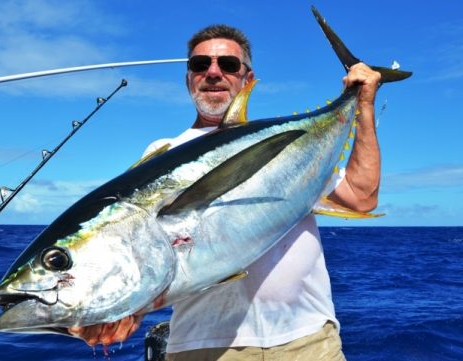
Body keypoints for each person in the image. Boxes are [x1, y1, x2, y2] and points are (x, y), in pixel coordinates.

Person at [69, 24, 381, 360]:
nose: (213, 72)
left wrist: (362, 103)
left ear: (247, 79)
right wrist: (120, 307)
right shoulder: (162, 154)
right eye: (200, 65)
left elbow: (362, 197)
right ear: (188, 78)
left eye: (228, 65)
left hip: (308, 342)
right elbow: (142, 249)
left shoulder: (287, 149)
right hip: (205, 349)